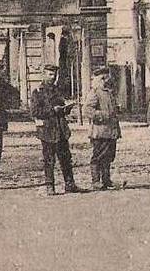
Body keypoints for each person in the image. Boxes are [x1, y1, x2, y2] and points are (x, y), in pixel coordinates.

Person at [30, 64, 78, 196]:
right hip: (47, 130)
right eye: (50, 74)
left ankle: (70, 184)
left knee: (66, 158)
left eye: (54, 75)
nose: (53, 77)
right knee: (49, 160)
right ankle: (49, 186)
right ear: (44, 74)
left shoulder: (58, 90)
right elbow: (34, 111)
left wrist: (67, 107)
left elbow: (62, 106)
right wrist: (52, 110)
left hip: (61, 129)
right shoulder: (38, 91)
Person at [84, 66, 122, 190]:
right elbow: (88, 110)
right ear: (99, 80)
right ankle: (96, 181)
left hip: (111, 131)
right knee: (98, 157)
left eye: (106, 78)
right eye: (103, 78)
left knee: (109, 156)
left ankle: (106, 180)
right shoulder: (95, 92)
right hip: (100, 131)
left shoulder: (109, 93)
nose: (106, 80)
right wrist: (103, 115)